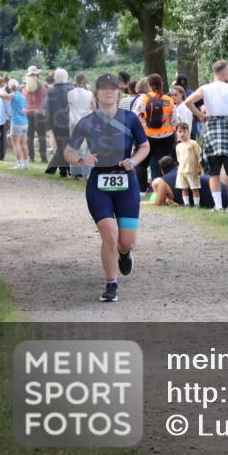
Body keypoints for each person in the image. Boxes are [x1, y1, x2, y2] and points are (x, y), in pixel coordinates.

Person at [64, 73, 150, 302]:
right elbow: (69, 151)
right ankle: (111, 284)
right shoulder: (87, 121)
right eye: (103, 88)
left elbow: (144, 146)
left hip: (126, 183)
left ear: (118, 92)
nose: (108, 91)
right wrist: (82, 160)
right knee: (110, 235)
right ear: (97, 93)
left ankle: (124, 253)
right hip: (99, 184)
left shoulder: (130, 118)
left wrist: (134, 161)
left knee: (127, 241)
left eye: (112, 88)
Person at [184, 60, 228, 211]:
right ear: (223, 74)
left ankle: (218, 206)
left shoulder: (205, 88)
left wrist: (200, 115)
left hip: (212, 128)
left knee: (214, 172)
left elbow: (188, 102)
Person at [136, 74, 176, 191]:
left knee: (142, 163)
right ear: (161, 84)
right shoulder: (169, 100)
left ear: (149, 85)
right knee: (159, 163)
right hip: (166, 137)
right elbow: (174, 120)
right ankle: (158, 189)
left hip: (147, 136)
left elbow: (135, 116)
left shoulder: (143, 99)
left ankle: (142, 189)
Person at [68, 73, 96, 179]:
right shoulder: (89, 93)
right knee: (86, 147)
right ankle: (85, 173)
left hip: (73, 121)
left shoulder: (70, 93)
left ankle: (74, 173)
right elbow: (94, 108)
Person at [22, 66, 48, 163]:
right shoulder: (43, 88)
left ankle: (31, 157)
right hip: (39, 113)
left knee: (29, 136)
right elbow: (46, 101)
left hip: (28, 113)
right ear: (37, 75)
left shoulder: (24, 89)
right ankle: (43, 157)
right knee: (42, 136)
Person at [174, 122, 202, 207]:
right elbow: (179, 159)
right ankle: (186, 204)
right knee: (184, 188)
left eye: (184, 131)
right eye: (180, 131)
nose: (182, 134)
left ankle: (196, 204)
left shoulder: (193, 143)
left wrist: (199, 167)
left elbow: (199, 156)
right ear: (177, 133)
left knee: (194, 188)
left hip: (192, 170)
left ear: (188, 132)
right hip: (181, 171)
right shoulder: (178, 146)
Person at [8, 78, 30, 169]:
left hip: (16, 122)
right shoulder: (22, 96)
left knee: (16, 144)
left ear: (10, 87)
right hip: (25, 122)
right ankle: (26, 163)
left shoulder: (13, 95)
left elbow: (5, 96)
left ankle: (19, 164)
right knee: (24, 144)